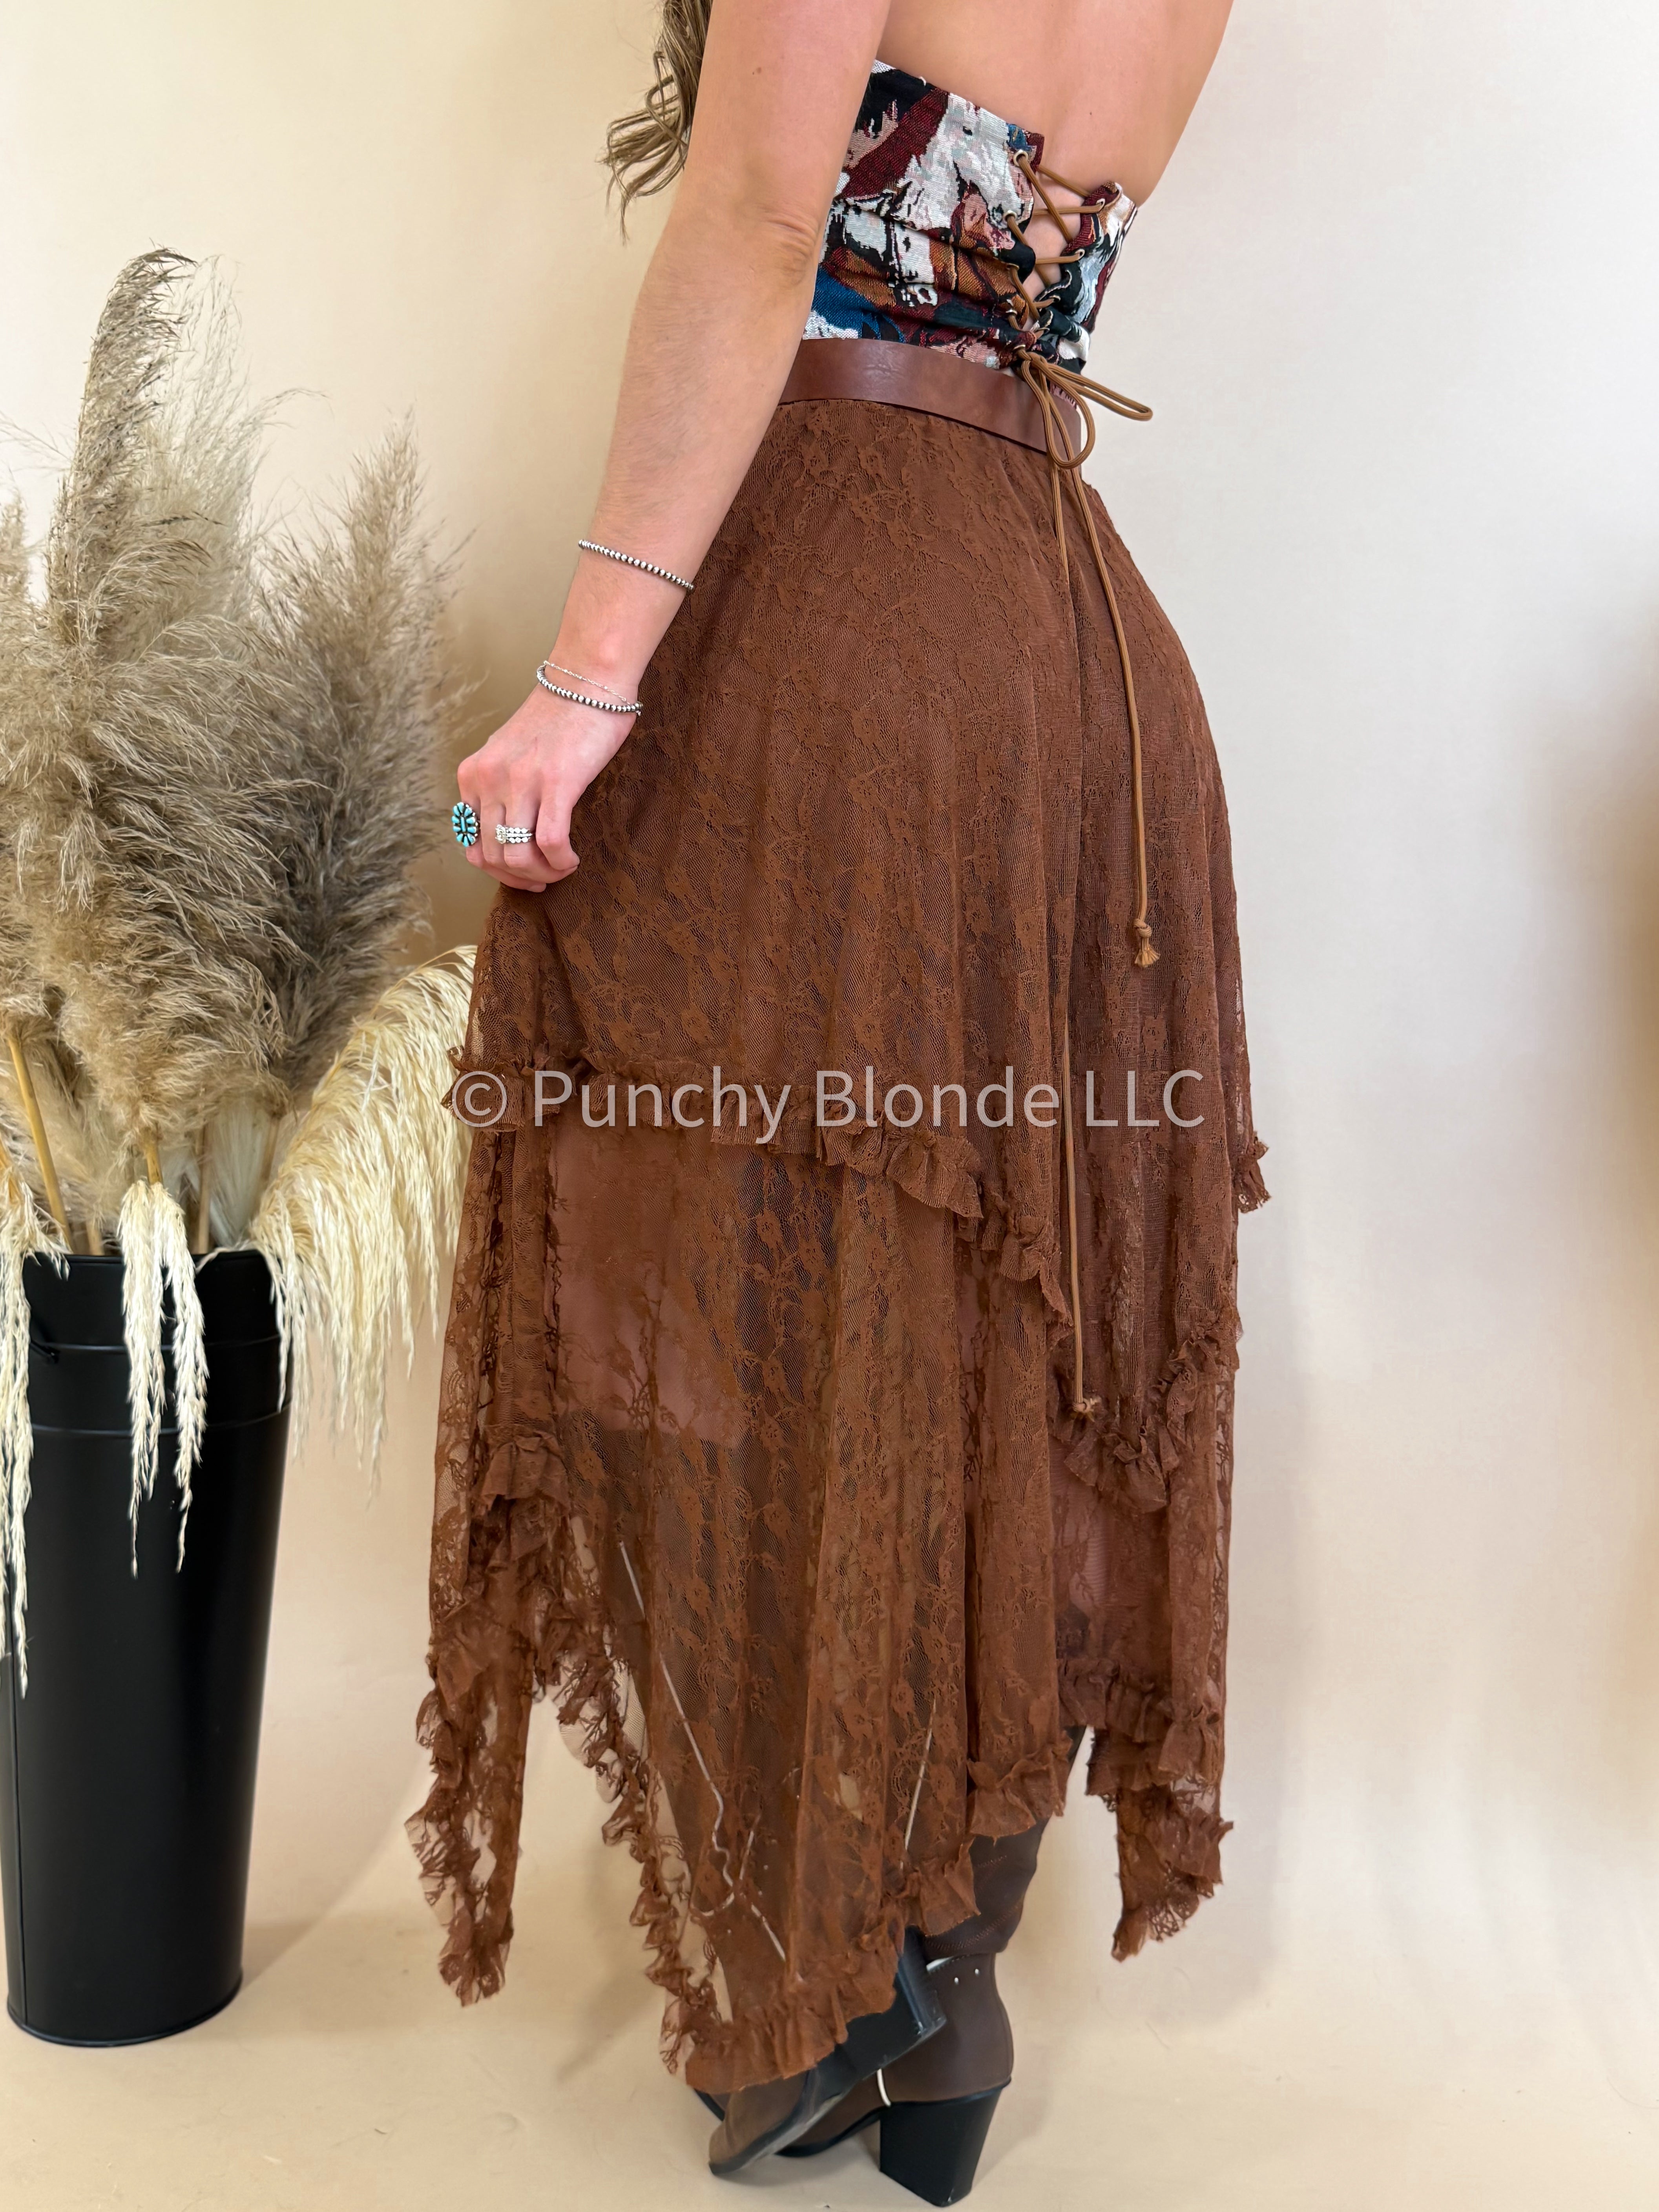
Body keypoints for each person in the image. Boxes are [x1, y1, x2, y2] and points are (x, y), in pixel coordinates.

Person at [413, 2, 1265, 2199]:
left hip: (846, 608)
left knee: (728, 1275)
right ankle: (935, 1974)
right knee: (989, 1341)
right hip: (1075, 659)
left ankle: (829, 1959)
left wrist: (586, 678)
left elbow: (755, 212)